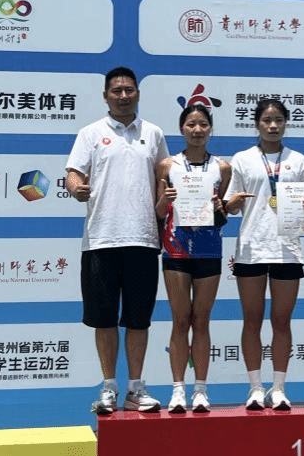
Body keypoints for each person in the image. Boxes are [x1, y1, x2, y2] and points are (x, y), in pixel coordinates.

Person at [65, 66, 169, 415]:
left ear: (137, 93)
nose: (123, 96)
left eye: (129, 90)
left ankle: (135, 388)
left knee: (138, 320)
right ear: (105, 96)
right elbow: (73, 173)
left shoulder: (153, 133)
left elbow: (164, 176)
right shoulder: (90, 133)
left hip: (143, 238)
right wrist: (76, 188)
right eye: (116, 91)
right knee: (104, 319)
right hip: (101, 239)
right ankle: (109, 387)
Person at [224, 98, 304, 411]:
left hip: (287, 251)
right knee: (251, 320)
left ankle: (278, 388)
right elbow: (230, 206)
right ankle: (255, 387)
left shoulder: (298, 160)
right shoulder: (242, 159)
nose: (273, 125)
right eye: (267, 120)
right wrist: (232, 203)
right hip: (251, 249)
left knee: (282, 321)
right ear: (257, 123)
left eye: (278, 119)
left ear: (286, 123)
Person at [154, 103, 231, 413]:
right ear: (181, 128)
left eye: (203, 124)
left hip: (209, 248)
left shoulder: (222, 168)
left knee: (201, 321)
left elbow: (223, 216)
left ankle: (200, 389)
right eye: (191, 124)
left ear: (210, 129)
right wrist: (165, 199)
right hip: (175, 248)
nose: (197, 130)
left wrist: (220, 207)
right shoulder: (167, 165)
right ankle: (177, 390)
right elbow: (159, 212)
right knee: (180, 320)